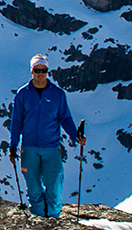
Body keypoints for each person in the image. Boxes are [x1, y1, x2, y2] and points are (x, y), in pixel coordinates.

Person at [9, 53, 84, 218]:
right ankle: (38, 220)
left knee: (54, 187)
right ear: (32, 71)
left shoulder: (57, 94)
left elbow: (65, 118)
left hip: (50, 147)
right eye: (37, 70)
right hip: (29, 148)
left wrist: (75, 135)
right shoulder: (23, 94)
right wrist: (13, 146)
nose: (40, 73)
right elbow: (16, 122)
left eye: (43, 70)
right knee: (33, 187)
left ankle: (53, 218)